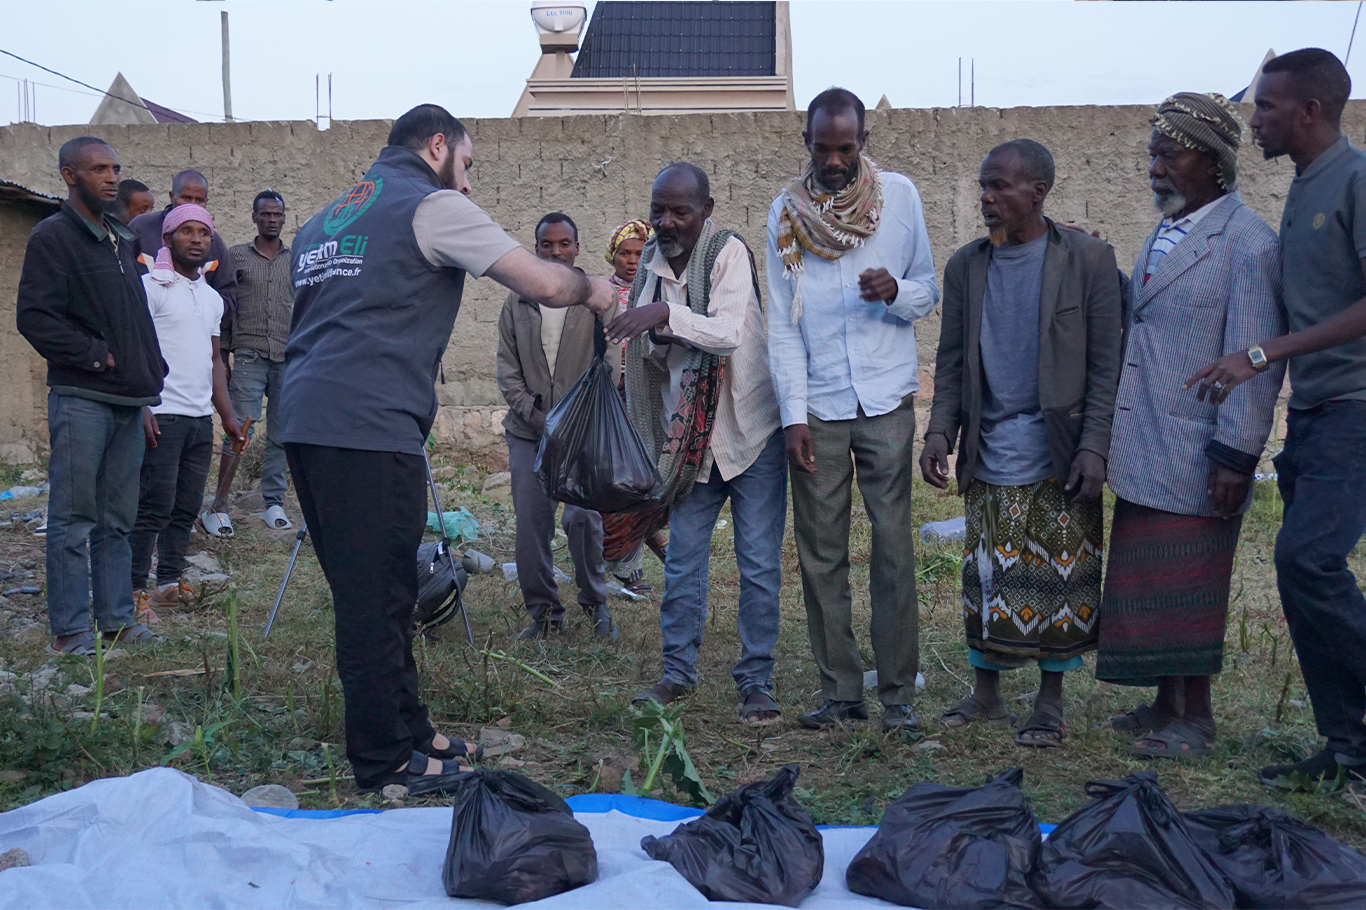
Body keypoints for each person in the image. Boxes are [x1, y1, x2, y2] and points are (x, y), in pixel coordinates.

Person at [280, 104, 616, 796]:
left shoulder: (321, 221)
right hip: (367, 427)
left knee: (379, 586)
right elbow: (545, 283)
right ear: (437, 146)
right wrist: (599, 292)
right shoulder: (428, 205)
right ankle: (384, 762)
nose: (466, 183)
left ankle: (413, 730)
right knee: (375, 599)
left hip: (308, 420)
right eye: (466, 164)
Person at [1187, 49, 1366, 789]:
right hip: (1319, 415)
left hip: (1357, 410)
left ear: (1309, 111)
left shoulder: (1355, 180)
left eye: (1265, 106)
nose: (1253, 118)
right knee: (1299, 574)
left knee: (1307, 560)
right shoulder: (1303, 188)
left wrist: (1260, 354)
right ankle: (1348, 752)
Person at [1096, 94, 1285, 759]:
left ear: (1210, 159)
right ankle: (1164, 702)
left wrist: (1236, 454)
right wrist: (1107, 271)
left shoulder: (1249, 245)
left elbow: (1254, 358)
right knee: (1152, 581)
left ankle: (1196, 719)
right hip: (1150, 438)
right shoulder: (1167, 230)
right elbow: (1153, 311)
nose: (1156, 167)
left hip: (1201, 445)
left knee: (1193, 581)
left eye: (1168, 153)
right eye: (1153, 153)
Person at [921, 139, 1121, 747]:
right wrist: (938, 430)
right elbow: (951, 360)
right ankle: (986, 695)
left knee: (1060, 578)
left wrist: (1095, 444)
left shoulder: (1087, 260)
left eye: (1001, 186)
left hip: (1060, 450)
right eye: (984, 185)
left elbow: (1108, 364)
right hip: (990, 448)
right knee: (987, 573)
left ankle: (1050, 702)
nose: (987, 197)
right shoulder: (967, 266)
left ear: (1039, 192)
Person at [766, 88, 938, 733]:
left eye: (845, 147)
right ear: (806, 142)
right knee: (820, 554)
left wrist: (896, 292)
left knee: (893, 548)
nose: (833, 159)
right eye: (822, 146)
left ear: (863, 141)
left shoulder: (900, 198)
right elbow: (784, 326)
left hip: (887, 398)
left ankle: (897, 698)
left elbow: (927, 288)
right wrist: (794, 416)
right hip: (822, 406)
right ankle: (841, 693)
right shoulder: (786, 212)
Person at [612, 163, 787, 726]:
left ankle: (756, 680)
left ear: (705, 211)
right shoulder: (649, 269)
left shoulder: (727, 253)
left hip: (749, 431)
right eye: (659, 209)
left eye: (680, 211)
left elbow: (728, 333)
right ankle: (677, 673)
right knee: (684, 562)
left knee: (757, 564)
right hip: (689, 444)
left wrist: (665, 314)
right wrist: (655, 333)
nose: (667, 222)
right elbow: (653, 358)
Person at [15, 137, 166, 656]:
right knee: (73, 518)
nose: (109, 177)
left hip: (127, 402)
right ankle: (71, 631)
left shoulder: (120, 239)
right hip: (82, 397)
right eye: (98, 168)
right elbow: (34, 317)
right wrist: (97, 356)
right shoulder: (53, 237)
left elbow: (135, 323)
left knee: (117, 521)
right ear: (68, 176)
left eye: (115, 168)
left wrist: (146, 387)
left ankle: (117, 621)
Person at [497, 212, 614, 640]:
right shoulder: (519, 300)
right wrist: (536, 415)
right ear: (536, 249)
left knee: (584, 519)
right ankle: (544, 614)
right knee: (532, 525)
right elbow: (507, 371)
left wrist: (576, 419)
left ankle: (596, 602)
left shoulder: (595, 297)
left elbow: (611, 364)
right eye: (547, 245)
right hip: (531, 432)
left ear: (578, 249)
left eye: (564, 244)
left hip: (583, 432)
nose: (556, 252)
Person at [130, 205, 246, 616]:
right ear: (167, 240)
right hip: (162, 414)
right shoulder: (150, 288)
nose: (196, 239)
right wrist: (143, 404)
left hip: (199, 419)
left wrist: (227, 415)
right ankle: (133, 591)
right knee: (153, 505)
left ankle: (168, 584)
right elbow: (134, 350)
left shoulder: (212, 299)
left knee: (185, 506)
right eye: (186, 232)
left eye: (203, 233)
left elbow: (215, 360)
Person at [210, 190, 293, 535]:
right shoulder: (237, 257)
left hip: (288, 357)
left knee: (282, 434)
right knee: (239, 430)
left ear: (283, 218)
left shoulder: (295, 258)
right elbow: (224, 311)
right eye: (266, 214)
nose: (272, 219)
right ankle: (219, 505)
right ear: (254, 217)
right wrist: (222, 357)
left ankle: (272, 501)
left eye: (278, 215)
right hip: (248, 354)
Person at [601, 219, 662, 594]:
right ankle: (625, 566)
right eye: (625, 253)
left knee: (646, 479)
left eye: (640, 254)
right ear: (613, 255)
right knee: (615, 481)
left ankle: (632, 557)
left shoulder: (656, 295)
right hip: (611, 398)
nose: (632, 260)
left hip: (648, 397)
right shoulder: (601, 296)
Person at [130, 169, 237, 346]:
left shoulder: (212, 241)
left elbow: (228, 293)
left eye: (199, 200)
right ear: (172, 196)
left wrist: (197, 317)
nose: (193, 204)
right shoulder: (141, 227)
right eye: (186, 198)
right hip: (141, 338)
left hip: (194, 341)